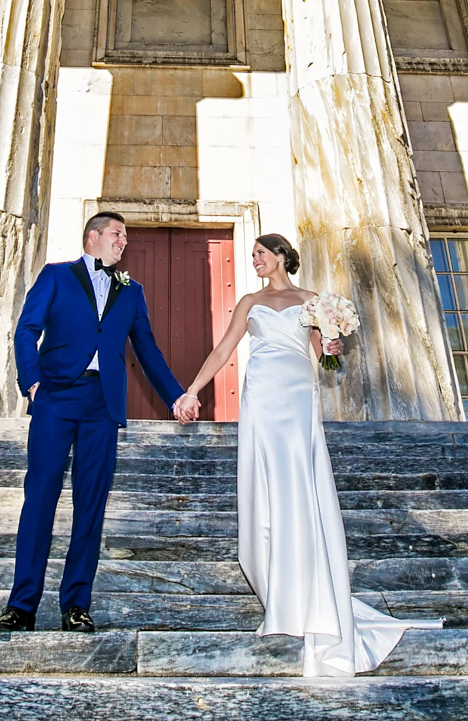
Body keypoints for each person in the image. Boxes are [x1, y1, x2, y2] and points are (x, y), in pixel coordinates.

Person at [178, 232, 434, 676]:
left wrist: (332, 347)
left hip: (298, 396)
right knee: (267, 481)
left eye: (261, 252)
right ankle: (278, 583)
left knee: (300, 479)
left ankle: (308, 586)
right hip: (262, 397)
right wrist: (191, 391)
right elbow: (224, 349)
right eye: (253, 254)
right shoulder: (248, 303)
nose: (255, 259)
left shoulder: (312, 301)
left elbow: (323, 354)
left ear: (280, 257)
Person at [0, 211, 199, 634]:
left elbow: (148, 352)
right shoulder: (55, 275)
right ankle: (21, 605)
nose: (123, 242)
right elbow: (26, 330)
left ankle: (77, 605)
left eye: (125, 237)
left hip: (102, 405)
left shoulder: (131, 291)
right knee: (40, 499)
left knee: (91, 505)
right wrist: (31, 384)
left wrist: (176, 396)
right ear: (93, 237)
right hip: (55, 398)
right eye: (117, 234)